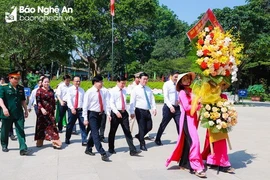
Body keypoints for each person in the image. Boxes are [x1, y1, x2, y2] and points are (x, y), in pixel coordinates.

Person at [165, 72, 206, 178]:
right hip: (187, 120)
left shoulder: (191, 91)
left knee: (188, 142)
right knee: (194, 142)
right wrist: (197, 103)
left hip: (193, 119)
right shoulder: (182, 93)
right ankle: (196, 166)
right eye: (184, 80)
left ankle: (184, 163)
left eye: (188, 79)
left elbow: (196, 104)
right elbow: (187, 108)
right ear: (181, 83)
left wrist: (200, 102)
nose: (187, 81)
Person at [201, 82, 235, 173]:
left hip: (222, 123)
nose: (219, 87)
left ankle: (222, 162)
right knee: (210, 142)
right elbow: (204, 109)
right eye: (217, 85)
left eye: (222, 85)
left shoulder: (224, 96)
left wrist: (229, 116)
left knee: (221, 141)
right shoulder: (209, 96)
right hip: (212, 122)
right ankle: (213, 160)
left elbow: (228, 108)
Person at [108, 76, 141, 156]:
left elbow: (126, 102)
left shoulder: (124, 91)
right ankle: (111, 148)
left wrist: (130, 112)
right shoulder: (112, 91)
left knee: (127, 131)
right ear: (118, 82)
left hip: (124, 113)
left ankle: (132, 150)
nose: (123, 85)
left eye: (124, 83)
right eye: (122, 83)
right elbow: (111, 103)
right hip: (116, 113)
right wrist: (116, 112)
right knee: (113, 131)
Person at [0, 71, 30, 155]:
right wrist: (4, 108)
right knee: (5, 130)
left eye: (18, 79)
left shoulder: (20, 88)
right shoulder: (3, 87)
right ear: (10, 78)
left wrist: (26, 110)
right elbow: (0, 99)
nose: (17, 80)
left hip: (18, 113)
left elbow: (23, 100)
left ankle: (23, 148)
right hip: (7, 113)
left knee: (20, 130)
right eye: (15, 79)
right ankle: (4, 144)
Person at [83, 75, 110, 162]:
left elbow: (105, 103)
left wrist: (107, 113)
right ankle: (102, 153)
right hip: (92, 114)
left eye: (102, 82)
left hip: (100, 114)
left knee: (93, 133)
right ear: (95, 82)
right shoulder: (89, 92)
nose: (102, 83)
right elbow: (85, 106)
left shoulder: (102, 92)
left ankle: (88, 148)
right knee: (96, 133)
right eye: (100, 82)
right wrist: (85, 118)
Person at [129, 72, 157, 151]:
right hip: (139, 110)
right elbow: (132, 101)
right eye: (144, 79)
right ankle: (142, 144)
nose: (145, 80)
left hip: (147, 110)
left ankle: (139, 136)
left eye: (146, 79)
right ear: (140, 79)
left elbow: (152, 99)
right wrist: (131, 112)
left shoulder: (148, 89)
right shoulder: (135, 89)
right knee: (141, 127)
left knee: (149, 126)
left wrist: (154, 108)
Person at [155, 71, 180, 146]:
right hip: (168, 108)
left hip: (177, 108)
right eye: (175, 77)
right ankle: (157, 139)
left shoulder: (178, 84)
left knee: (180, 124)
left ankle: (181, 140)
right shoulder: (167, 84)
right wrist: (170, 106)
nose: (176, 78)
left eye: (177, 77)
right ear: (171, 76)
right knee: (164, 124)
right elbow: (165, 97)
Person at [35, 77, 62, 149]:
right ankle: (40, 141)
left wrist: (54, 109)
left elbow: (53, 100)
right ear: (42, 82)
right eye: (45, 82)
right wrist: (41, 109)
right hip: (42, 112)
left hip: (50, 112)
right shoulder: (39, 91)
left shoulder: (51, 90)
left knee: (52, 127)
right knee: (41, 127)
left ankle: (56, 142)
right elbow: (38, 102)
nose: (46, 83)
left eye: (48, 82)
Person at [65, 76, 88, 146]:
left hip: (80, 110)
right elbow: (69, 100)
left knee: (82, 125)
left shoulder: (82, 90)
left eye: (79, 81)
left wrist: (85, 110)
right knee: (70, 125)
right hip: (72, 109)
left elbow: (84, 101)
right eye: (76, 81)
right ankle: (67, 138)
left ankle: (84, 140)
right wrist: (72, 108)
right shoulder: (69, 90)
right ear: (73, 82)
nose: (78, 82)